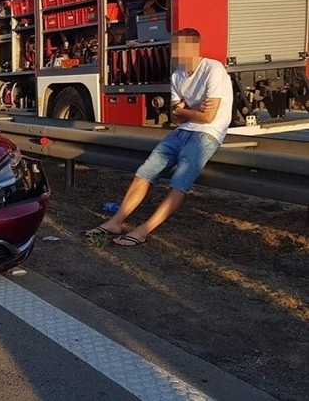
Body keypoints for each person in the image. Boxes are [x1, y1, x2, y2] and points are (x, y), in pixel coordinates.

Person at [84, 28, 233, 246]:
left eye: (181, 47)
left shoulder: (213, 69)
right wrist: (191, 109)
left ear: (194, 47)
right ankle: (116, 222)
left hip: (207, 135)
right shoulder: (177, 75)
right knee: (144, 173)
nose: (176, 52)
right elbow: (174, 118)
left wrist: (184, 108)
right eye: (174, 47)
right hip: (182, 131)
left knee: (178, 183)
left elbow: (208, 117)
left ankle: (143, 231)